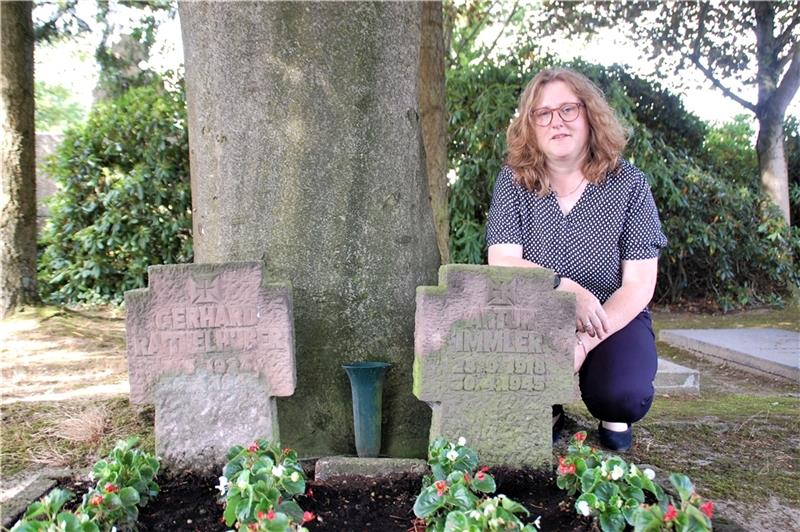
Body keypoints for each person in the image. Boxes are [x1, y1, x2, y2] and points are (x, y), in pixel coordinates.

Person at [486, 68, 667, 451]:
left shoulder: (629, 184)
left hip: (608, 315)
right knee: (516, 384)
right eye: (543, 113)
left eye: (568, 109)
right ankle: (547, 406)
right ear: (531, 125)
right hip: (536, 311)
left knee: (623, 393)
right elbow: (502, 260)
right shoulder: (514, 180)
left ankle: (610, 407)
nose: (557, 122)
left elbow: (639, 284)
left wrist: (583, 344)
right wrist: (565, 288)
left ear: (590, 115)